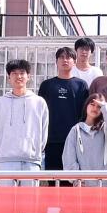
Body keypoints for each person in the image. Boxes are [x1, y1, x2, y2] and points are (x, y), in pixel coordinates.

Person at [0, 59, 49, 187]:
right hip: (6, 162)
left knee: (29, 199)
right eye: (14, 73)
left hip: (31, 162)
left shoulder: (39, 102)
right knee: (5, 199)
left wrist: (35, 151)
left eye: (22, 73)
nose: (18, 76)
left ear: (28, 76)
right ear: (8, 77)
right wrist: (2, 152)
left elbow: (44, 131)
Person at [37, 47, 89, 179]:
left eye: (68, 57)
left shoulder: (81, 85)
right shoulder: (47, 85)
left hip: (75, 140)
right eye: (61, 57)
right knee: (53, 179)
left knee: (73, 179)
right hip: (52, 140)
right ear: (56, 61)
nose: (65, 60)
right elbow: (40, 113)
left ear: (74, 62)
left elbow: (85, 114)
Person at [62, 93, 107, 187]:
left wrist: (105, 106)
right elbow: (69, 158)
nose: (95, 108)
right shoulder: (76, 130)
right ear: (86, 105)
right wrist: (77, 180)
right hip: (84, 187)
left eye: (99, 106)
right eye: (92, 104)